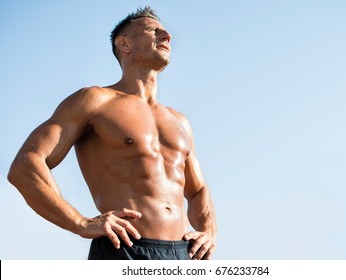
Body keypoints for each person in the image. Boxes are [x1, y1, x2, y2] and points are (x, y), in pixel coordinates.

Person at [7, 6, 217, 260]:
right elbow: (25, 165)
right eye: (154, 30)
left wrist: (208, 232)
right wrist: (80, 223)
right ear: (124, 44)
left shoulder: (179, 121)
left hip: (183, 253)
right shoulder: (95, 101)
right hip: (125, 249)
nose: (166, 36)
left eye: (167, 32)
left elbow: (197, 190)